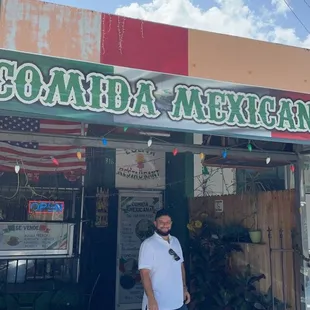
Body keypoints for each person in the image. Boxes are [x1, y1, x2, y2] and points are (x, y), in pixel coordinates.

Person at [138, 209, 190, 310]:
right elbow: (144, 273)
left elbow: (180, 266)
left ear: (171, 223)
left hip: (179, 303)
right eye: (161, 222)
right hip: (158, 304)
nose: (165, 225)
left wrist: (184, 288)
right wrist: (151, 299)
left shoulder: (175, 241)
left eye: (167, 222)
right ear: (155, 223)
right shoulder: (148, 244)